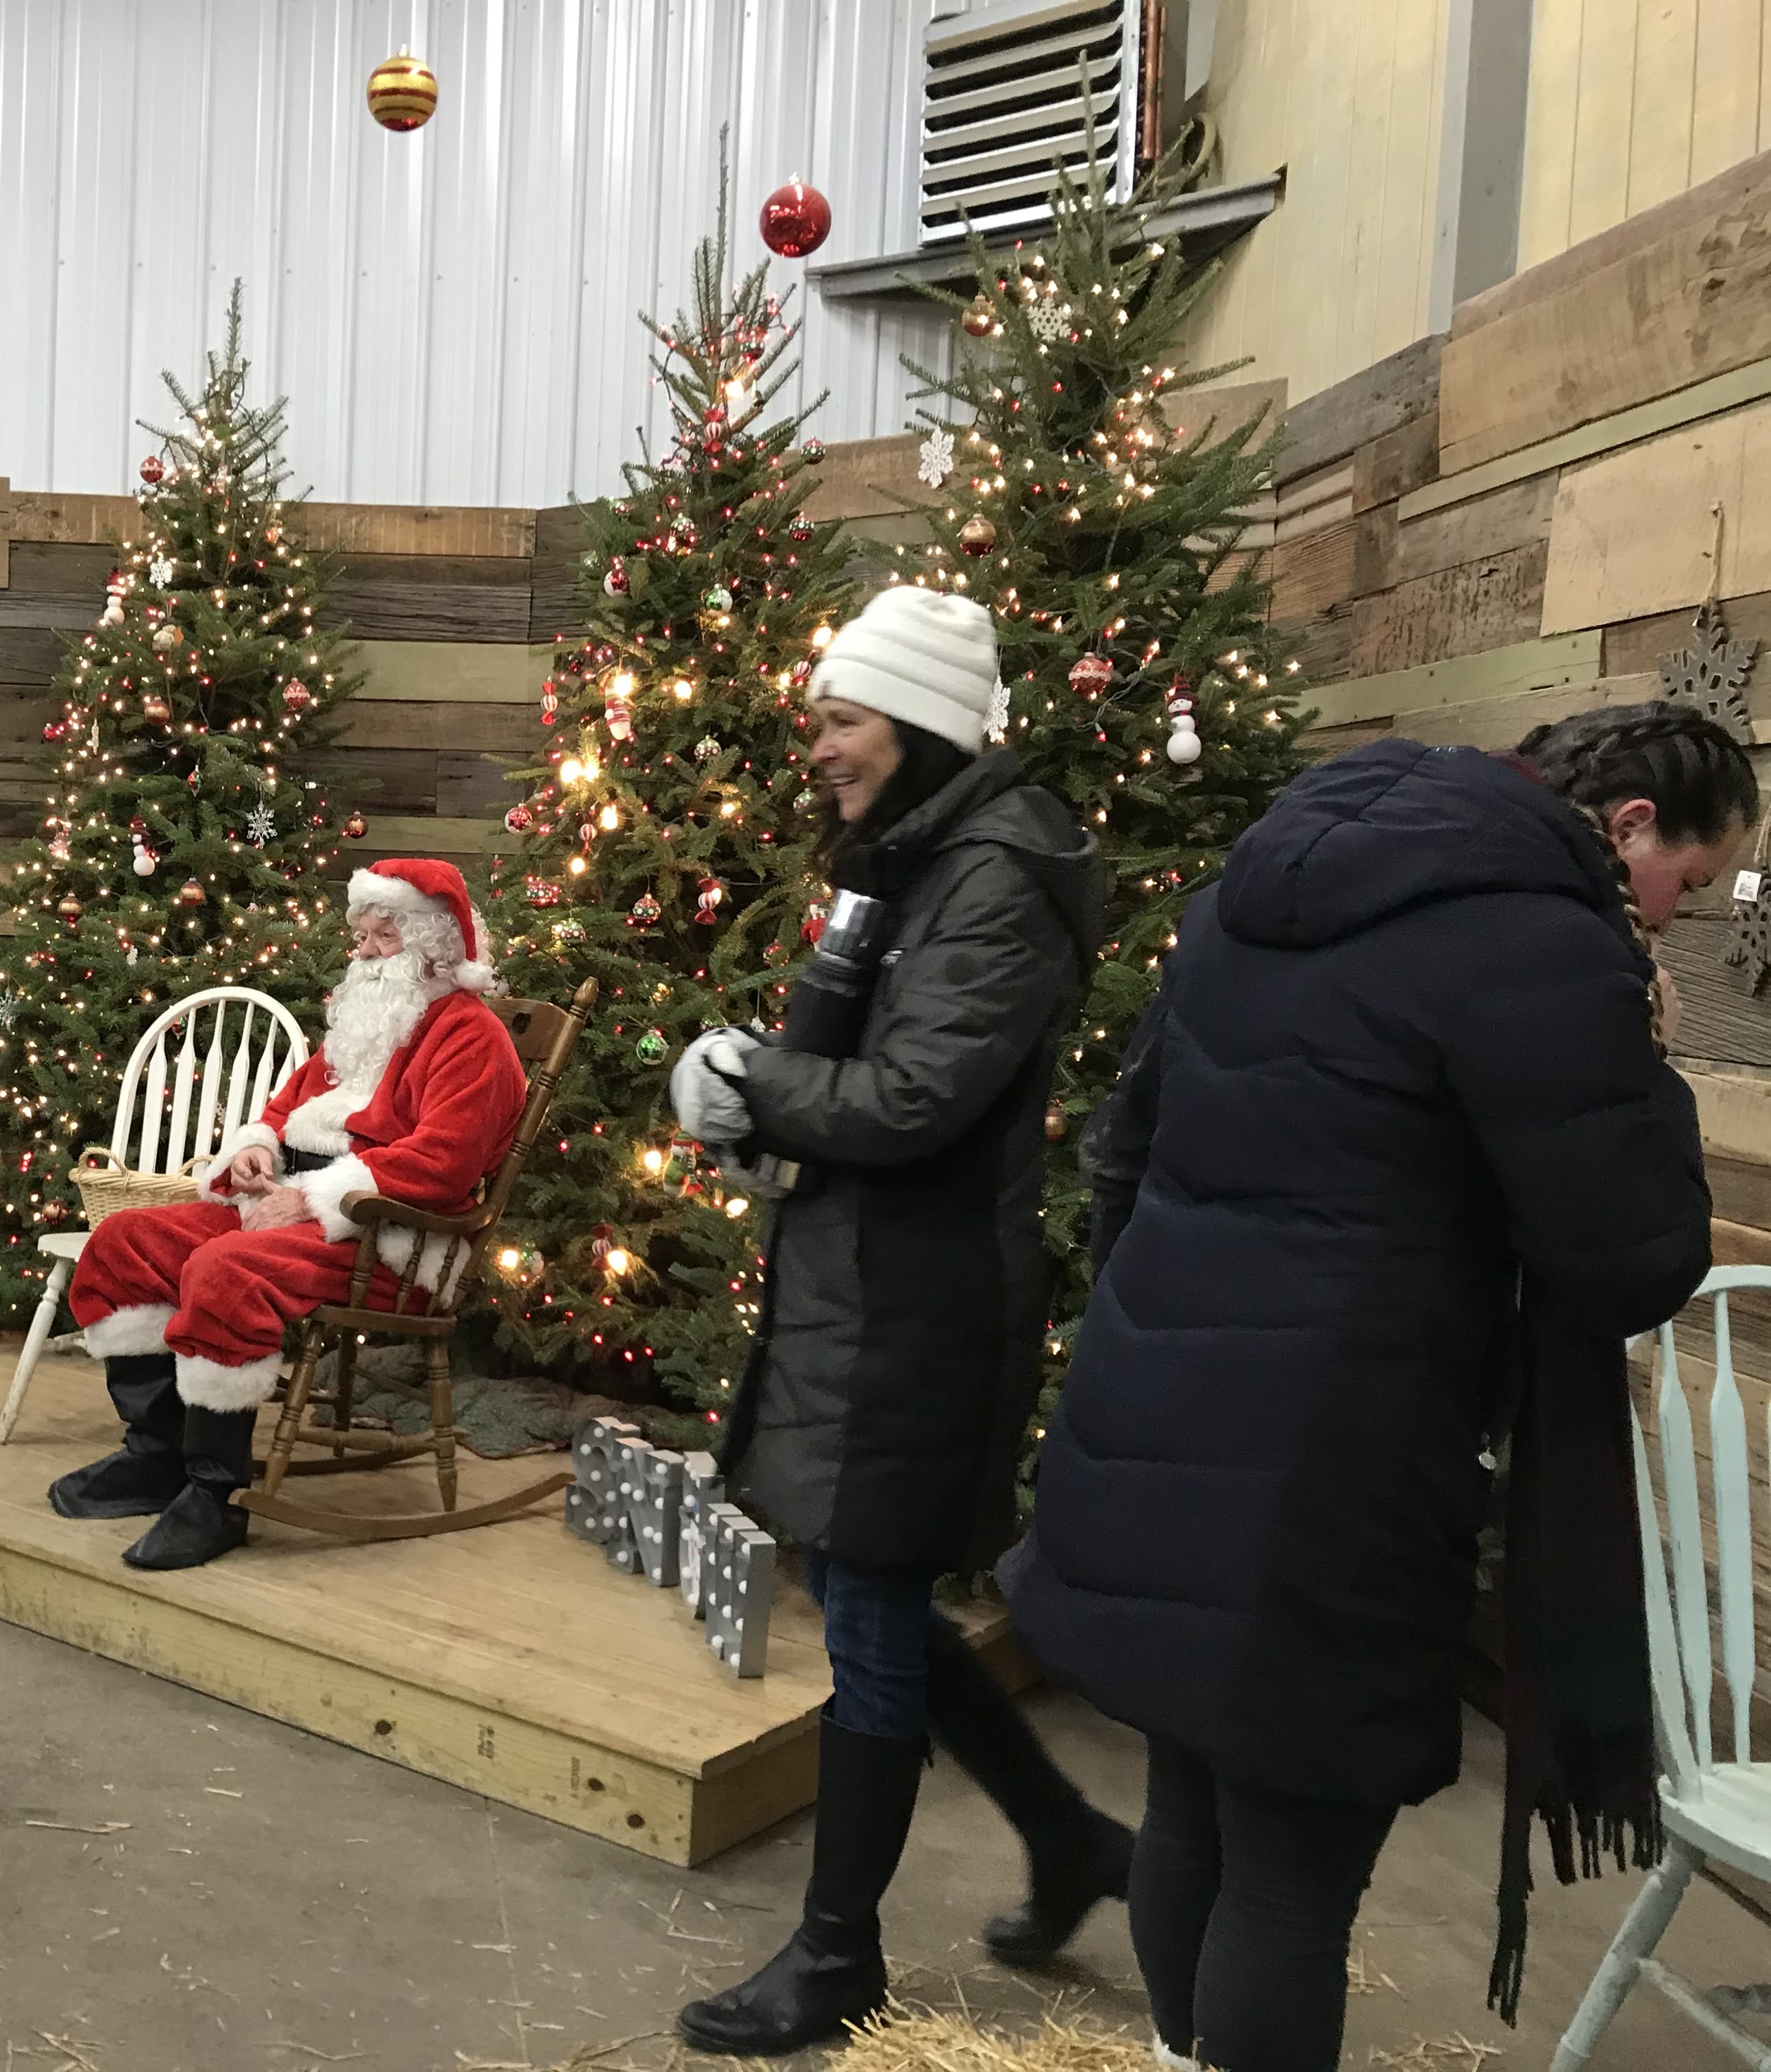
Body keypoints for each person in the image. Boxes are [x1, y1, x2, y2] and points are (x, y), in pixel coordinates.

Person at [1007, 704, 1752, 2072]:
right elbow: (1635, 1258)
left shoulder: (1257, 882)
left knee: (1195, 1808)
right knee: (1294, 1874)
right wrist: (1651, 1068)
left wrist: (1160, 1337)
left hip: (1161, 1405)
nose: (1673, 917)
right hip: (1336, 1460)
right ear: (1635, 823)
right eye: (1687, 886)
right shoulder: (1546, 945)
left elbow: (1128, 1143)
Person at [668, 586, 1127, 2056]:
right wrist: (751, 1100)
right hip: (863, 1279)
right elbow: (838, 1061)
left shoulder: (996, 875)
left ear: (920, 727)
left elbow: (922, 1100)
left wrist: (755, 1082)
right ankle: (1071, 1842)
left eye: (842, 719)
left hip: (919, 1302)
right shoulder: (911, 862)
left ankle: (836, 1955)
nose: (818, 746)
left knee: (866, 1616)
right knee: (874, 1595)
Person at [56, 859, 529, 1570]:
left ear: (434, 948)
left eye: (382, 938)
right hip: (288, 1208)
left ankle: (214, 1495)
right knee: (125, 1241)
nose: (363, 953)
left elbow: (444, 1163)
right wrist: (254, 1151)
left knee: (224, 1270)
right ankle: (156, 1454)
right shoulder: (362, 1031)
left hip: (387, 1235)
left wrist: (310, 1199)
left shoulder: (472, 1038)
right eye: (361, 936)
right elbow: (284, 1110)